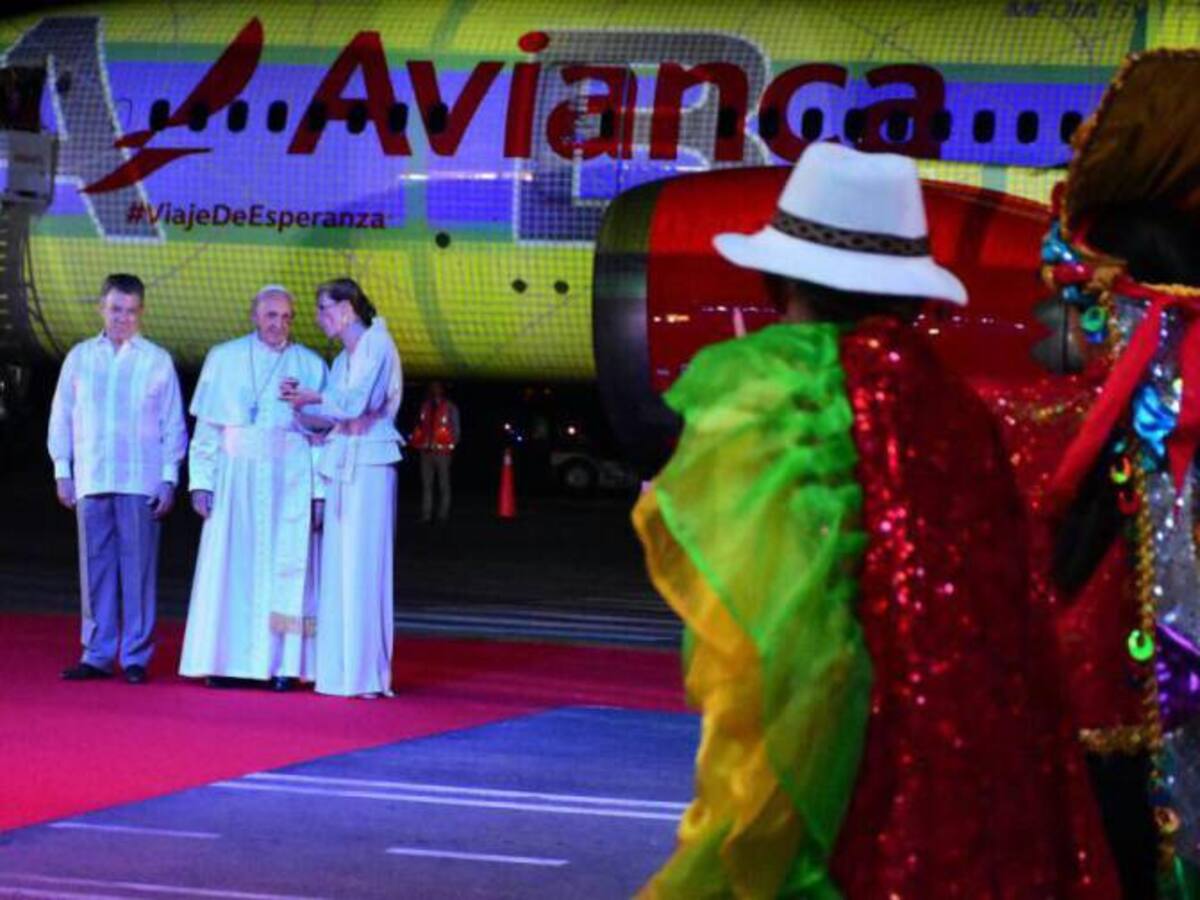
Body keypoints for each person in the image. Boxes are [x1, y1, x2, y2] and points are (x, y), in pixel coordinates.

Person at [632, 143, 1117, 898]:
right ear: (911, 298)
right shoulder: (961, 412)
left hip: (855, 818)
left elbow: (780, 661)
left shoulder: (790, 393)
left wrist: (739, 833)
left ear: (779, 283)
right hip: (985, 822)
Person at [178, 285, 329, 692]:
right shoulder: (223, 358)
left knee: (290, 572)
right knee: (232, 568)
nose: (278, 324)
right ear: (254, 316)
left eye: (285, 317)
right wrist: (201, 483)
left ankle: (284, 663)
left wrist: (319, 495)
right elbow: (207, 430)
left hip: (291, 480)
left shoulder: (310, 364)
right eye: (271, 316)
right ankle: (224, 660)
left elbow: (320, 439)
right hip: (236, 479)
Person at [47, 273, 187, 685]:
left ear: (141, 311)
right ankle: (97, 652)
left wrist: (168, 479)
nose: (123, 317)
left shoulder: (156, 359)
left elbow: (172, 424)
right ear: (101, 308)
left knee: (138, 569)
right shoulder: (80, 357)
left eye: (130, 310)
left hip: (140, 479)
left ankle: (136, 656)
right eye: (115, 309)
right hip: (92, 475)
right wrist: (62, 470)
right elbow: (61, 417)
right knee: (96, 569)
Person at [282, 278, 403, 699]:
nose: (319, 318)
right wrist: (300, 406)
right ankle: (338, 671)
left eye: (323, 308)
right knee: (339, 568)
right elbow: (330, 416)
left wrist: (315, 398)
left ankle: (366, 674)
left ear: (348, 308)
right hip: (342, 463)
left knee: (363, 567)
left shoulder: (377, 345)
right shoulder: (341, 361)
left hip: (370, 463)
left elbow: (355, 405)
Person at [411, 380, 460, 523]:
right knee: (427, 485)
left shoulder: (450, 407)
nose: (435, 390)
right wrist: (418, 443)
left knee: (443, 484)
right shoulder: (425, 406)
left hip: (443, 452)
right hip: (426, 451)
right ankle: (426, 514)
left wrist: (451, 445)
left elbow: (456, 428)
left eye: (437, 387)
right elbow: (420, 427)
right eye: (432, 387)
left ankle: (443, 514)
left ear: (442, 389)